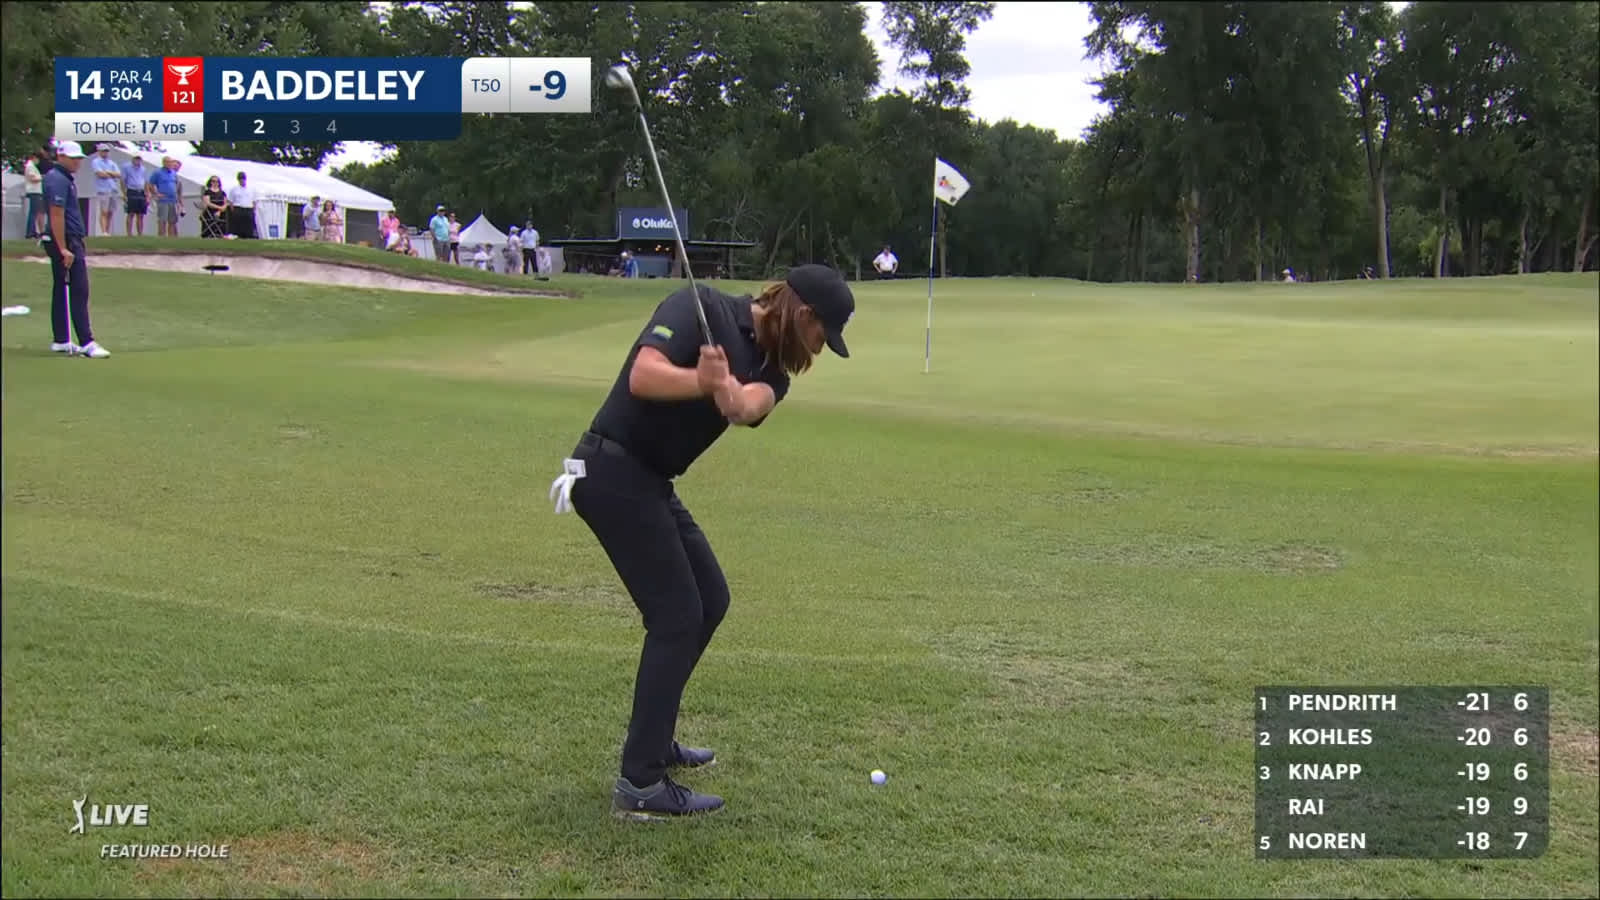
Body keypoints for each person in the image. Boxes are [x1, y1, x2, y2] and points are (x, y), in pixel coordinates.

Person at [548, 265, 855, 821]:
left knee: (710, 600)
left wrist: (724, 390)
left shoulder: (773, 372)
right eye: (821, 336)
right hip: (609, 469)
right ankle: (640, 783)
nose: (817, 351)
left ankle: (655, 738)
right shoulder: (699, 307)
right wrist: (700, 381)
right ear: (803, 314)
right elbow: (643, 376)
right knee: (676, 616)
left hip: (652, 482)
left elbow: (746, 407)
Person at [39, 141, 110, 358]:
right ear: (60, 156)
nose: (77, 161)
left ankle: (62, 339)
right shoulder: (57, 179)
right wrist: (63, 248)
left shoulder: (63, 178)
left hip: (68, 238)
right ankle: (86, 342)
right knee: (78, 288)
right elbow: (56, 214)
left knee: (63, 288)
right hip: (66, 240)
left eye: (79, 158)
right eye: (73, 158)